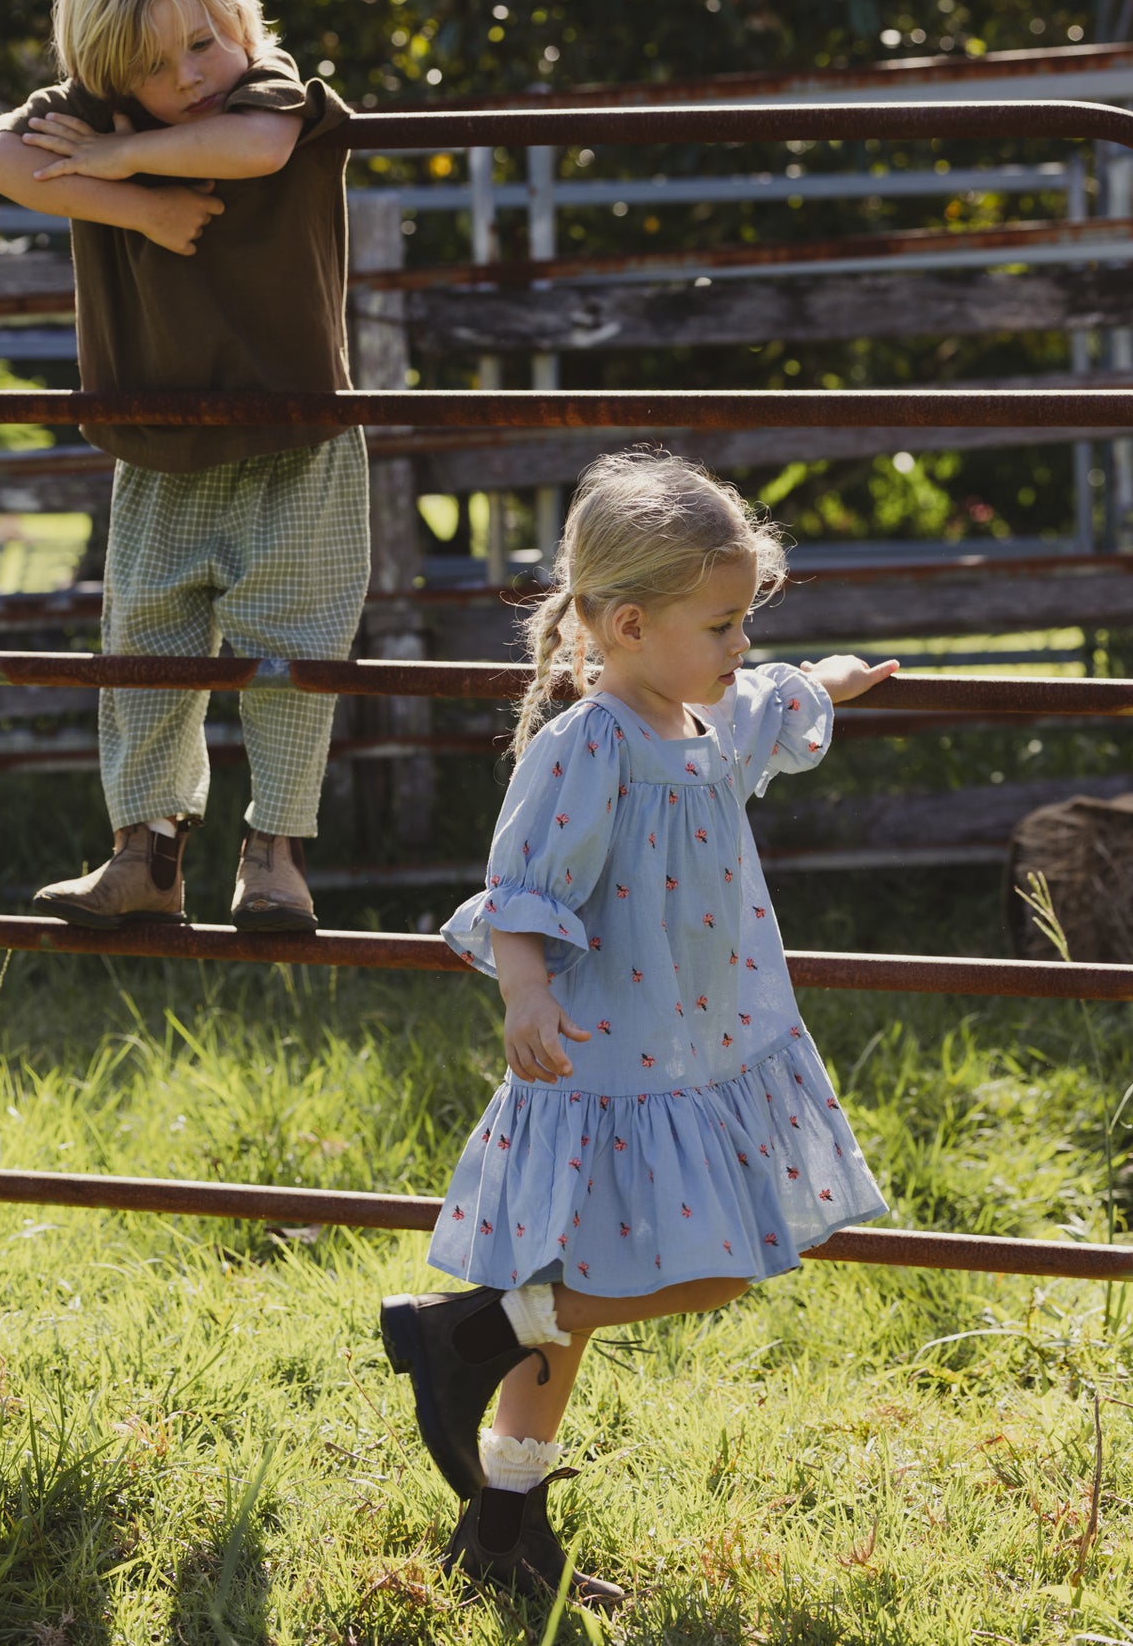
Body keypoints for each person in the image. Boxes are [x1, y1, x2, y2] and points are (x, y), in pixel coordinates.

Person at [381, 450, 896, 1607]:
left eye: (743, 622)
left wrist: (833, 679)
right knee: (713, 1267)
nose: (738, 647)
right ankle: (469, 1328)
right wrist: (523, 993)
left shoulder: (704, 717)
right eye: (721, 625)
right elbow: (518, 891)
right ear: (625, 623)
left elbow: (774, 700)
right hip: (609, 1062)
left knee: (564, 1326)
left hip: (701, 1049)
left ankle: (501, 1526)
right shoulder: (589, 746)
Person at [0, 0, 368, 933]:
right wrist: (135, 203)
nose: (190, 74)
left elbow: (258, 150)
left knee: (293, 644)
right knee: (145, 643)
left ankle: (274, 855)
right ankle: (144, 854)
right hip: (157, 437)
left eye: (203, 41)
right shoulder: (96, 116)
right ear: (107, 76)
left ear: (236, 16)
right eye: (155, 69)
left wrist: (115, 158)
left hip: (295, 433)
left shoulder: (264, 86)